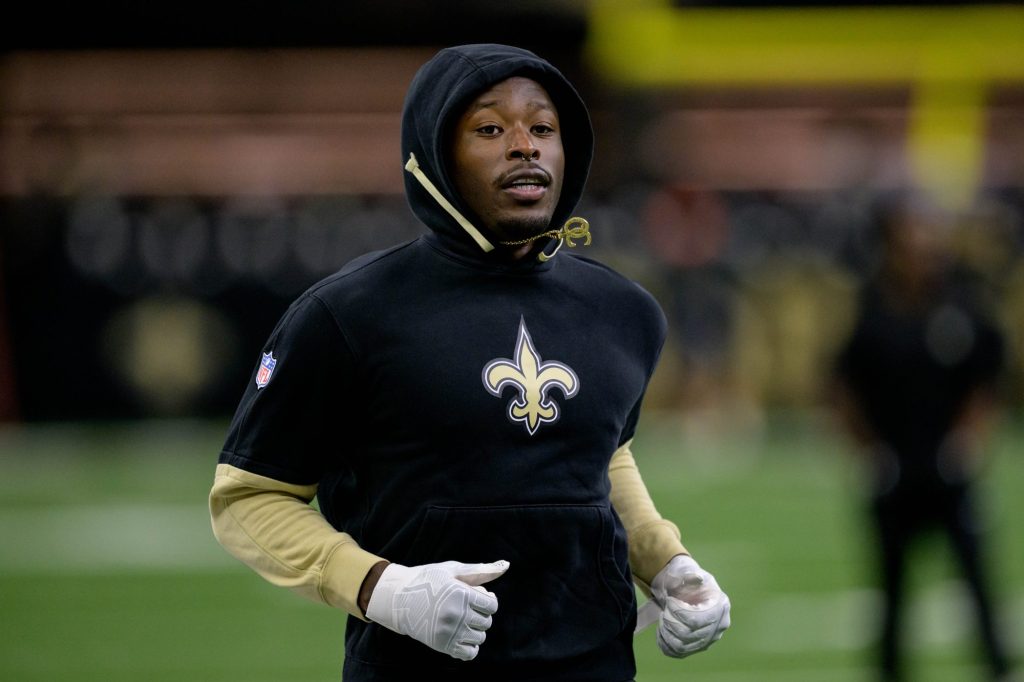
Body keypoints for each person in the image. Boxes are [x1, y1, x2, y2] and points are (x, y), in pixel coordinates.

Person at [209, 43, 730, 681]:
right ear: (433, 153)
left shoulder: (624, 311)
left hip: (595, 664)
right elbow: (248, 498)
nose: (525, 146)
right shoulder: (348, 314)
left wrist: (670, 565)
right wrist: (381, 588)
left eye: (543, 128)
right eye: (490, 129)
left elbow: (598, 455)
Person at [830, 192, 1015, 682]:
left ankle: (997, 667)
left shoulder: (961, 301)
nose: (923, 244)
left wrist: (970, 439)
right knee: (891, 590)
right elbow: (843, 384)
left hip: (949, 471)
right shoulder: (872, 307)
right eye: (911, 233)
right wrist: (866, 451)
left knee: (977, 580)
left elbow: (987, 377)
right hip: (894, 472)